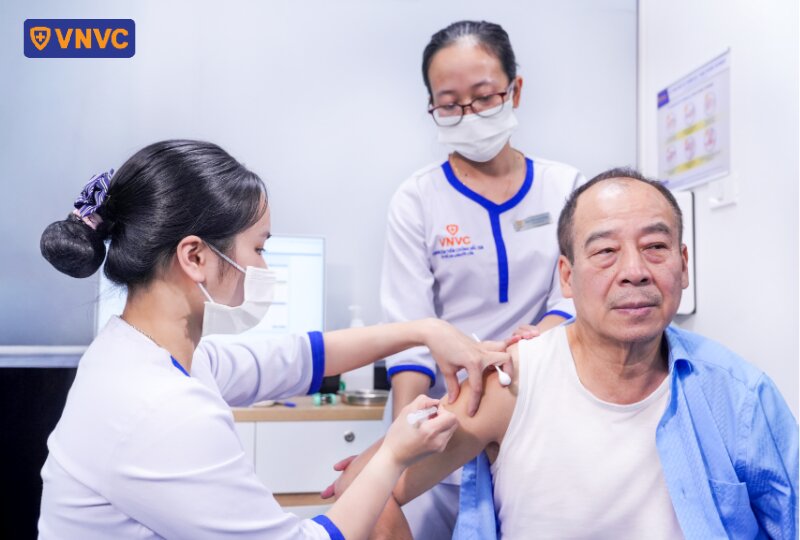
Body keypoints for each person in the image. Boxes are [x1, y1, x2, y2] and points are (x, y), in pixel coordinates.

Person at [36, 139, 512, 540]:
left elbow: (296, 358)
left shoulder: (141, 352)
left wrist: (424, 330)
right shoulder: (161, 409)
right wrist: (393, 454)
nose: (264, 269)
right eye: (258, 249)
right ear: (195, 257)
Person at [334, 167, 799, 539]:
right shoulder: (514, 383)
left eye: (655, 247)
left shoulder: (738, 396)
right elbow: (363, 486)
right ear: (567, 276)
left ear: (684, 266)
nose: (634, 271)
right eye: (605, 252)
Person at [381, 20, 585, 538]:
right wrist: (402, 442)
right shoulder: (418, 198)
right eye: (449, 104)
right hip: (442, 412)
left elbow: (575, 293)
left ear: (514, 90)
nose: (468, 115)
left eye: (483, 97)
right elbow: (408, 331)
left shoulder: (565, 187)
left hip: (531, 400)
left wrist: (533, 339)